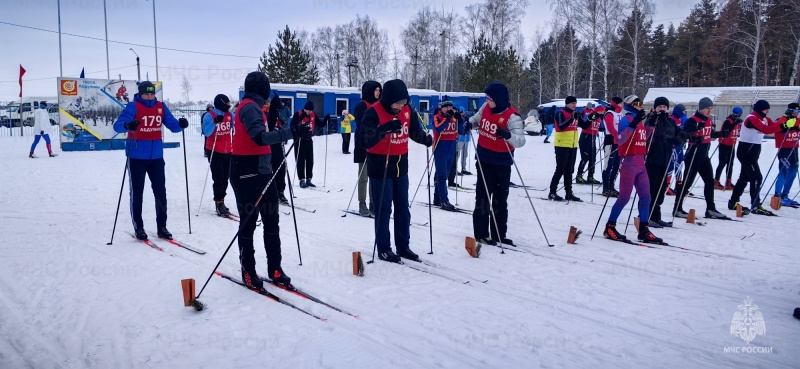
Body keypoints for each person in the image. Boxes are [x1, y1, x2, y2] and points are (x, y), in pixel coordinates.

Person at [231, 71, 298, 290]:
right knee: (249, 224)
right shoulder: (249, 106)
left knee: (271, 222)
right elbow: (259, 138)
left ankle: (275, 268)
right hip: (246, 172)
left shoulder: (256, 106)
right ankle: (248, 271)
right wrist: (290, 133)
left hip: (262, 170)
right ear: (261, 89)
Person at [361, 79, 433, 262]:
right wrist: (384, 129)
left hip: (401, 164)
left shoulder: (407, 109)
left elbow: (414, 130)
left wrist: (424, 138)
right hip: (380, 165)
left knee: (403, 208)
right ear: (388, 99)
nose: (401, 107)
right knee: (383, 209)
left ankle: (403, 246)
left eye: (403, 103)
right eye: (397, 103)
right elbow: (364, 140)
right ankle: (384, 248)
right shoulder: (374, 111)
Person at [113, 81, 188, 240]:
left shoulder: (161, 107)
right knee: (137, 193)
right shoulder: (133, 106)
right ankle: (139, 227)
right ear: (140, 94)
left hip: (156, 158)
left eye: (152, 93)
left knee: (160, 193)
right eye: (146, 94)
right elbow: (117, 126)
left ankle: (162, 227)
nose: (149, 96)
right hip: (136, 156)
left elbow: (172, 125)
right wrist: (128, 124)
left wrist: (181, 125)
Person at [467, 82, 526, 246]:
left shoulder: (512, 116)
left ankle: (499, 234)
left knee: (500, 199)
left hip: (501, 162)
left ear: (498, 99)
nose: (487, 100)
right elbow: (476, 119)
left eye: (490, 98)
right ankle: (481, 234)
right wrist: (469, 123)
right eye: (486, 97)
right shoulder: (485, 107)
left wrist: (507, 135)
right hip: (484, 159)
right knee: (483, 197)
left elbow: (520, 141)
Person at [603, 95, 662, 243]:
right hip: (629, 163)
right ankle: (610, 227)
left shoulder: (639, 121)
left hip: (640, 163)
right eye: (639, 103)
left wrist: (652, 123)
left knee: (646, 197)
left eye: (642, 103)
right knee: (624, 197)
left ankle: (643, 229)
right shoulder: (626, 119)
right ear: (631, 105)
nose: (642, 105)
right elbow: (621, 139)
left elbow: (644, 138)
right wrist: (633, 123)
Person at [672, 97, 729, 219]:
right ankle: (677, 208)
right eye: (707, 108)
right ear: (701, 108)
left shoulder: (708, 120)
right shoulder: (693, 120)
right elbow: (684, 135)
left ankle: (710, 209)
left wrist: (721, 133)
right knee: (687, 182)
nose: (709, 110)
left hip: (704, 155)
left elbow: (710, 133)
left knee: (709, 181)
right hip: (693, 155)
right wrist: (694, 134)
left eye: (711, 108)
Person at [727, 100, 783, 216]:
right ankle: (756, 204)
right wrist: (783, 125)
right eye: (765, 109)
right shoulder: (751, 118)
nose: (767, 112)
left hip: (753, 151)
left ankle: (733, 201)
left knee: (744, 177)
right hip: (746, 151)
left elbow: (774, 126)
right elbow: (767, 130)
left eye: (768, 109)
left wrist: (785, 121)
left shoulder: (764, 119)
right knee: (756, 177)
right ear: (759, 109)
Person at [644, 97, 681, 228]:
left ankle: (656, 216)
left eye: (664, 107)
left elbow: (677, 134)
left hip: (665, 159)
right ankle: (646, 216)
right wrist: (654, 117)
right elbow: (647, 132)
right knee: (651, 190)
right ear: (655, 108)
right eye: (659, 107)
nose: (662, 109)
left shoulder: (670, 121)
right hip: (653, 159)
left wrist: (680, 139)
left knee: (661, 190)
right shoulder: (651, 119)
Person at [548, 96, 588, 202]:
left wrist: (591, 117)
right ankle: (552, 192)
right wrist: (571, 118)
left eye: (575, 103)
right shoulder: (561, 113)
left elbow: (584, 126)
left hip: (572, 145)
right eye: (572, 103)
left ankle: (569, 193)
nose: (574, 105)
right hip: (561, 144)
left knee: (569, 170)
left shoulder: (575, 114)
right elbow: (560, 127)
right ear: (567, 104)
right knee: (560, 169)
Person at [202, 94, 233, 216]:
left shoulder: (230, 115)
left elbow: (234, 127)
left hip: (228, 150)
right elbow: (207, 132)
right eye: (227, 104)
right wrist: (215, 122)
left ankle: (222, 200)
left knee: (226, 178)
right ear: (221, 103)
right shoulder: (209, 116)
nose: (229, 107)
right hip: (214, 150)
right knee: (218, 177)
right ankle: (219, 202)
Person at [353, 81, 382, 216]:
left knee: (374, 176)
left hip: (376, 146)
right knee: (364, 176)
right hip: (363, 145)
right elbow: (360, 125)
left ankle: (373, 203)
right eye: (375, 90)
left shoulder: (379, 106)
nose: (378, 92)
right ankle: (362, 203)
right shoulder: (361, 106)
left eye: (379, 90)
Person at [431, 100, 464, 211]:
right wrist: (447, 119)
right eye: (447, 107)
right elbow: (438, 129)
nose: (449, 109)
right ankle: (444, 200)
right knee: (442, 175)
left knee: (445, 174)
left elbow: (461, 131)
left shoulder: (453, 118)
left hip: (451, 148)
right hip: (440, 148)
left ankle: (437, 197)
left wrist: (460, 120)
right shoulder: (437, 117)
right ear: (442, 108)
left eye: (451, 107)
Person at [290, 101, 327, 188]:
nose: (309, 112)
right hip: (299, 139)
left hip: (309, 139)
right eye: (307, 110)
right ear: (304, 108)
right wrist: (299, 119)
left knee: (310, 160)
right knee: (300, 160)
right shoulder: (298, 114)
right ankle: (301, 179)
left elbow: (320, 124)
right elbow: (292, 125)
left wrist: (325, 120)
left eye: (310, 110)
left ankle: (309, 179)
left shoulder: (313, 115)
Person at [772, 103, 800, 207]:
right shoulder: (781, 120)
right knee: (783, 172)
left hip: (794, 149)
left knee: (793, 172)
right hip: (784, 150)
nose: (796, 114)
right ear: (789, 111)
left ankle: (785, 195)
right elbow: (776, 129)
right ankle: (777, 195)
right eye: (795, 112)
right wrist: (787, 126)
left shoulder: (797, 120)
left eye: (798, 112)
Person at [714, 106, 743, 190]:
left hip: (732, 145)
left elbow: (739, 132)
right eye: (735, 114)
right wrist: (734, 123)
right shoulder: (728, 121)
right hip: (724, 144)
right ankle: (716, 181)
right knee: (722, 163)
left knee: (730, 164)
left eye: (738, 115)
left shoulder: (737, 123)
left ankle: (728, 182)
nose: (736, 116)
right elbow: (726, 131)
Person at [267, 93, 289, 204]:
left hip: (278, 144)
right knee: (269, 169)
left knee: (281, 168)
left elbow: (285, 124)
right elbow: (268, 127)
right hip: (267, 146)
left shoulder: (278, 114)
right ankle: (271, 192)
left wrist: (282, 127)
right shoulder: (266, 114)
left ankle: (280, 191)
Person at [576, 104, 605, 184]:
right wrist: (590, 119)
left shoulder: (599, 117)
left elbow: (599, 127)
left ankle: (590, 176)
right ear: (599, 110)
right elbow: (584, 124)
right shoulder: (590, 114)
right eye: (602, 110)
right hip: (585, 138)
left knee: (593, 159)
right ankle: (579, 176)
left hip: (593, 138)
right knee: (585, 158)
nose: (603, 112)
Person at [602, 97, 624, 197]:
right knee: (608, 166)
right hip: (610, 141)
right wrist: (619, 136)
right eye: (620, 103)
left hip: (619, 143)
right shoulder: (609, 113)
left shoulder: (621, 113)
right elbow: (610, 127)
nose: (622, 105)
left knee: (616, 166)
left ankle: (611, 186)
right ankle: (605, 188)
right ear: (615, 103)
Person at [665, 104, 688, 196]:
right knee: (671, 164)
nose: (683, 113)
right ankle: (666, 185)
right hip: (672, 146)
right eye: (682, 111)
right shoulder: (670, 119)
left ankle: (678, 185)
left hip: (679, 145)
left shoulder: (681, 119)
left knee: (680, 164)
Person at [457, 108, 472, 175]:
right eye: (462, 112)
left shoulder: (466, 118)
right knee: (458, 153)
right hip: (460, 138)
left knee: (465, 154)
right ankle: (455, 169)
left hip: (467, 137)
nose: (464, 113)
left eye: (463, 111)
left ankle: (463, 168)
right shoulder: (459, 119)